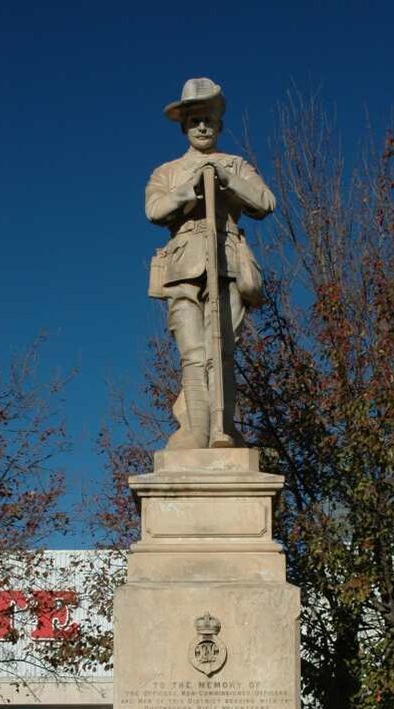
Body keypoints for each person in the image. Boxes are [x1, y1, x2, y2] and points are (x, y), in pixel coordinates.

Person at [145, 77, 275, 449]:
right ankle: (195, 429)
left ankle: (225, 428)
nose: (202, 127)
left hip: (227, 263)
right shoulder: (167, 171)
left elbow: (265, 203)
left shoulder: (235, 164)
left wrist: (227, 180)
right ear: (184, 126)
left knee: (223, 351)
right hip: (184, 267)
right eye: (195, 120)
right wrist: (191, 189)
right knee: (193, 351)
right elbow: (154, 210)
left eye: (209, 120)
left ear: (219, 125)